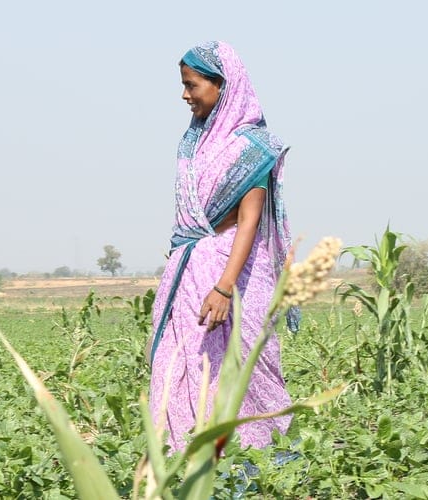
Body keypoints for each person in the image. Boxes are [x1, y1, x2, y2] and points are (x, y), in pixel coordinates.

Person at [148, 41, 296, 452]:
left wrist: (223, 287)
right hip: (188, 272)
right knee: (177, 366)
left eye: (191, 85)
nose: (185, 95)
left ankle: (249, 464)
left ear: (222, 85)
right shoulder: (192, 144)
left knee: (233, 372)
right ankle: (182, 459)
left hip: (231, 272)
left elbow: (249, 220)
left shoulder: (253, 149)